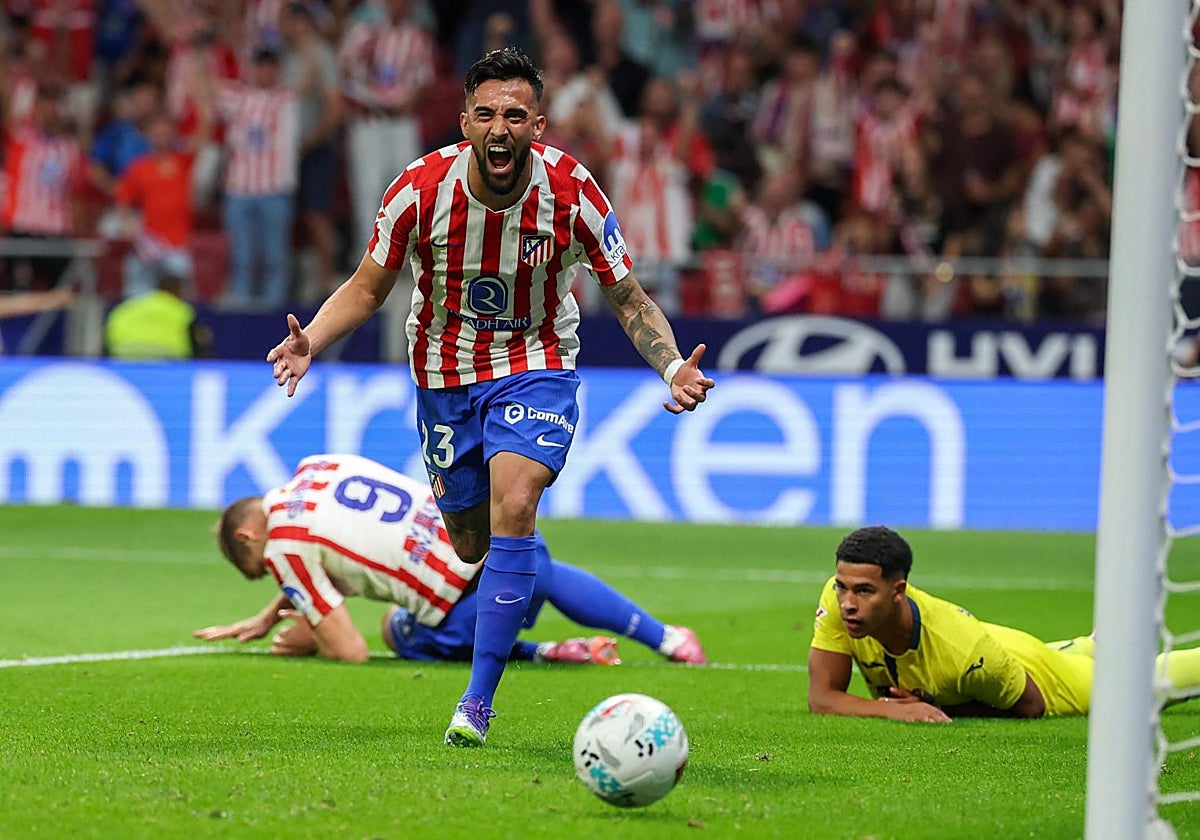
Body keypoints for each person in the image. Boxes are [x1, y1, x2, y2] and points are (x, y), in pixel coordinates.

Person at [266, 48, 714, 747]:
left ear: (537, 124)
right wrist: (310, 342)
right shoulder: (418, 189)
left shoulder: (574, 192)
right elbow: (365, 288)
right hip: (444, 376)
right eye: (485, 114)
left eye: (514, 115)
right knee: (471, 540)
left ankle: (476, 703)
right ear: (464, 121)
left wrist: (669, 369)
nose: (499, 128)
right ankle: (533, 587)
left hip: (536, 360)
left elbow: (626, 297)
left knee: (516, 504)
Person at [194, 453, 708, 670]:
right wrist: (271, 614)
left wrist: (312, 636)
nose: (273, 572)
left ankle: (545, 652)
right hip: (500, 540)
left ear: (248, 536)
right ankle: (670, 638)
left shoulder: (283, 546)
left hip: (465, 601)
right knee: (537, 571)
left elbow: (349, 650)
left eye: (260, 568)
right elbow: (346, 545)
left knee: (399, 631)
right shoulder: (313, 469)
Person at [808, 526, 1200, 722]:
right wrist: (894, 710)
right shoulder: (838, 596)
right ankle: (1092, 645)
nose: (847, 603)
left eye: (863, 592)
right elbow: (822, 698)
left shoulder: (961, 654)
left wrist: (939, 707)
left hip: (1042, 679)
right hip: (999, 643)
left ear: (898, 591)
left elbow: (1031, 705)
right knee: (1080, 650)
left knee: (1149, 682)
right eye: (842, 587)